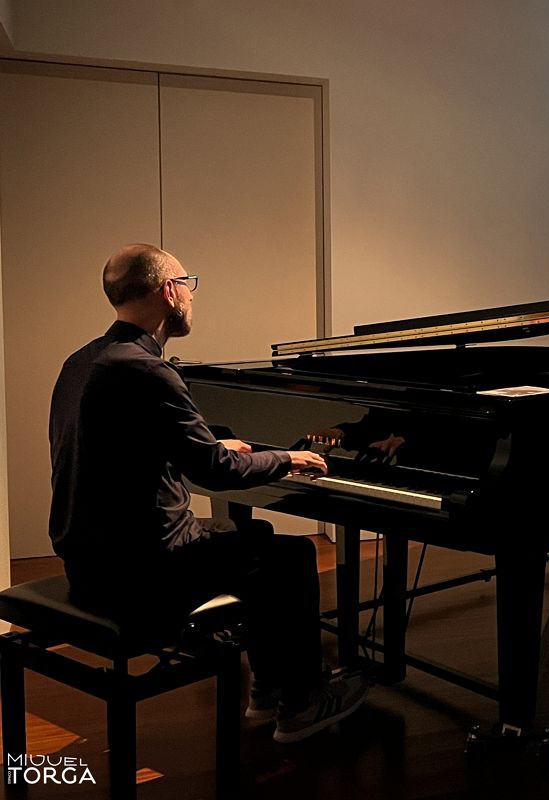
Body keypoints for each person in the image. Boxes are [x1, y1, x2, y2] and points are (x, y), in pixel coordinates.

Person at [48, 243, 367, 743]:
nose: (192, 297)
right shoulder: (147, 369)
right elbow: (216, 471)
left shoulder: (85, 361)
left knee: (253, 534)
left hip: (88, 561)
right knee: (294, 555)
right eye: (187, 284)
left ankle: (266, 689)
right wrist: (289, 458)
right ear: (169, 291)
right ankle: (302, 703)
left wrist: (211, 444)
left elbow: (122, 450)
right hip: (143, 573)